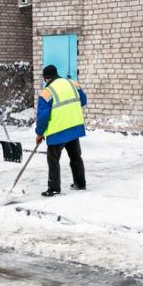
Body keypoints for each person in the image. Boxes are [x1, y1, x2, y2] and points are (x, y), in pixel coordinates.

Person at [35, 64, 87, 197]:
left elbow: (42, 116)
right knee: (75, 156)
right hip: (74, 127)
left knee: (53, 159)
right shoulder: (72, 83)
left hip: (58, 131)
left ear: (46, 79)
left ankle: (54, 188)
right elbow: (83, 100)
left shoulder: (46, 92)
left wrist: (39, 133)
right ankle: (80, 183)